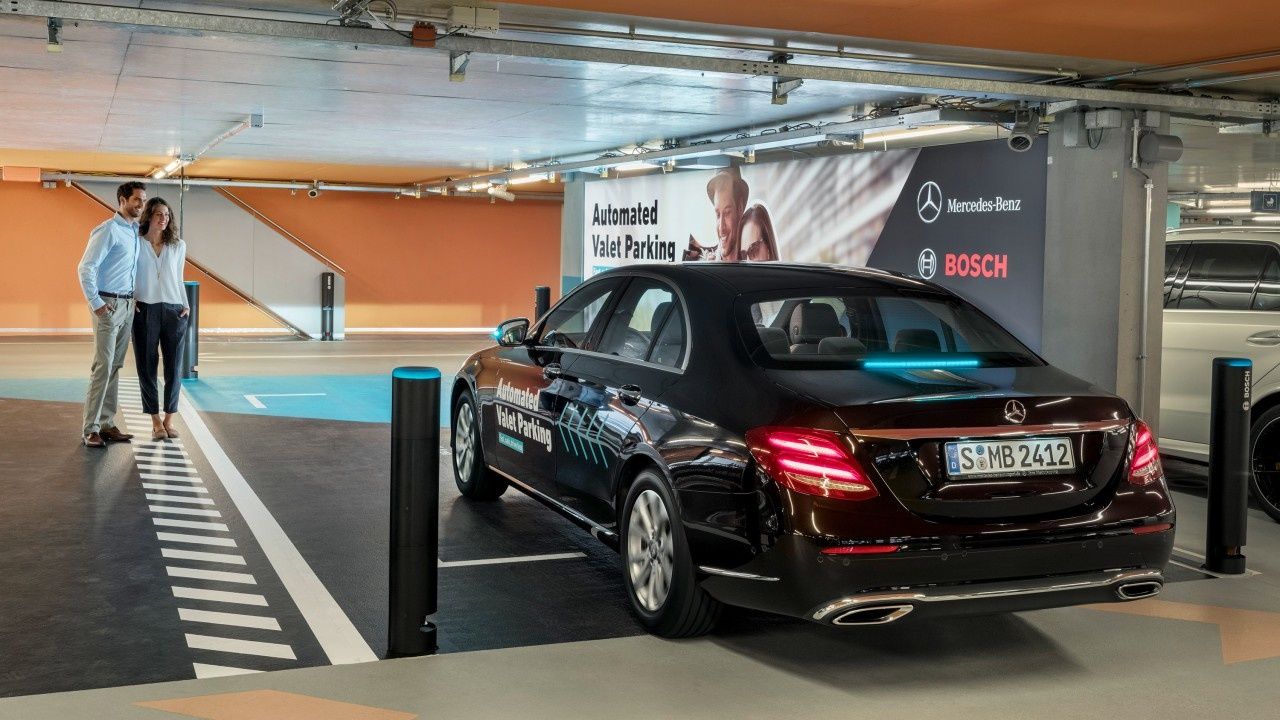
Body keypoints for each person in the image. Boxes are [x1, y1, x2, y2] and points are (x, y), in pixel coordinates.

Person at [78, 181, 146, 448]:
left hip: (127, 305)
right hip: (107, 305)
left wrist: (133, 298)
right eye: (136, 200)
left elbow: (127, 271)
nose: (141, 204)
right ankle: (90, 428)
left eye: (143, 200)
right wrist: (96, 303)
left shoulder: (133, 232)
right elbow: (86, 268)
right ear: (122, 200)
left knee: (115, 367)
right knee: (103, 366)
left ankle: (106, 424)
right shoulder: (108, 230)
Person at [132, 198, 190, 441]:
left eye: (166, 214)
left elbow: (179, 276)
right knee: (147, 366)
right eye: (158, 213)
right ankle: (155, 421)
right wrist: (132, 297)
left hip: (174, 310)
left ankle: (169, 419)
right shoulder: (136, 242)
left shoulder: (178, 245)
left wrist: (186, 304)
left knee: (174, 368)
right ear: (149, 216)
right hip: (144, 308)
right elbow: (130, 271)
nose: (163, 218)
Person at [703, 166, 749, 261]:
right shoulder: (708, 263)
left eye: (727, 213)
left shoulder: (753, 258)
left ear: (739, 209)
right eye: (718, 215)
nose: (721, 228)